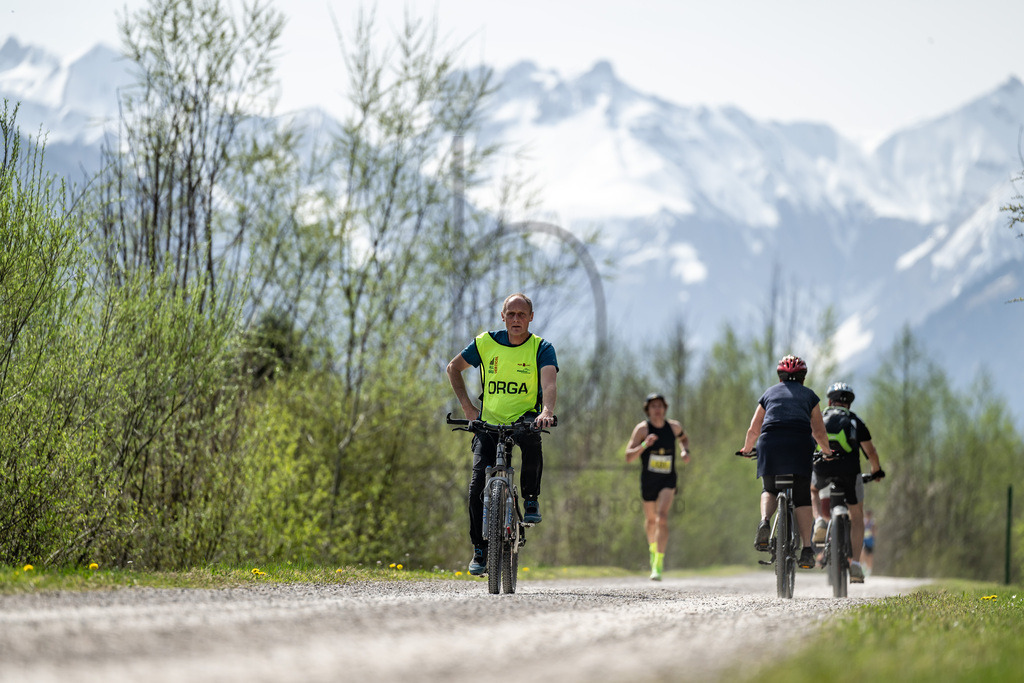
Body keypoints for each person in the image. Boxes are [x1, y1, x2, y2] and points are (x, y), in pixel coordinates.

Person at [446, 293, 558, 576]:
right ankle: (480, 549)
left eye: (522, 314)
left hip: (525, 419)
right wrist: (469, 408)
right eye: (511, 314)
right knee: (475, 489)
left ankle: (530, 498)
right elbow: (453, 368)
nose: (516, 319)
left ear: (531, 317)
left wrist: (546, 411)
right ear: (503, 316)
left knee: (533, 441)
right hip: (488, 423)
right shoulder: (485, 343)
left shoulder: (541, 348)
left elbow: (549, 382)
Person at [739, 355, 833, 570]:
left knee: (769, 487)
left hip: (769, 445)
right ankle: (808, 549)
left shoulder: (769, 393)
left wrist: (746, 449)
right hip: (799, 446)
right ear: (803, 377)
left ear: (780, 377)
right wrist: (827, 452)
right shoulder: (810, 396)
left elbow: (754, 428)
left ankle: (764, 521)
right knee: (801, 497)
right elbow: (819, 431)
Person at [809, 382, 884, 583]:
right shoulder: (855, 422)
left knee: (813, 490)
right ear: (849, 404)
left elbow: (809, 445)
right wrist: (876, 470)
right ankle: (856, 565)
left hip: (823, 469)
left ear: (828, 401)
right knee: (857, 515)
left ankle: (819, 522)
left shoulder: (819, 419)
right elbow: (871, 452)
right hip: (850, 472)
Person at [625, 393, 691, 581]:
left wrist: (685, 450)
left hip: (668, 480)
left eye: (660, 406)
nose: (657, 409)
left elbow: (684, 439)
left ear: (665, 408)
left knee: (662, 518)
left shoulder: (674, 426)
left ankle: (658, 564)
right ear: (648, 409)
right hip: (648, 480)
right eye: (653, 406)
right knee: (651, 520)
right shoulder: (642, 429)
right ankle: (653, 550)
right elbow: (628, 457)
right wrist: (645, 444)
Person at [862, 509, 876, 577]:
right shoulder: (863, 521)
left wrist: (872, 533)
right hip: (864, 540)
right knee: (863, 552)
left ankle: (869, 569)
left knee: (869, 556)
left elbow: (874, 532)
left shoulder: (872, 522)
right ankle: (864, 565)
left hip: (870, 541)